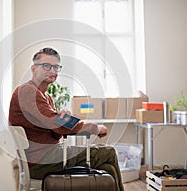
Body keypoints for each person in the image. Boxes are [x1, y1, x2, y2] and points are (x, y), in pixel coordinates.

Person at [9, 47, 124, 191]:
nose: (52, 71)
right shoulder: (27, 91)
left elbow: (55, 130)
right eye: (46, 66)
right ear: (33, 69)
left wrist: (62, 119)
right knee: (109, 152)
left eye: (56, 67)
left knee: (107, 168)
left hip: (50, 155)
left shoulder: (46, 97)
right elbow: (57, 125)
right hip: (41, 161)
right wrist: (95, 128)